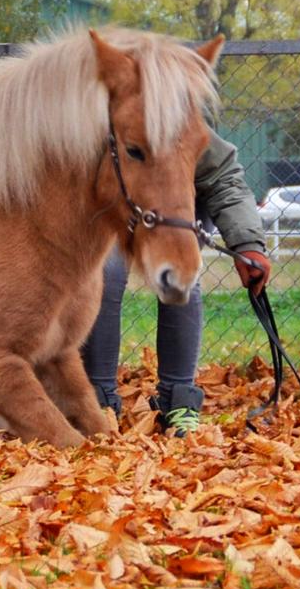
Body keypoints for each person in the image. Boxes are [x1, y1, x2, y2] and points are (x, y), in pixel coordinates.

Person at [80, 129, 271, 435]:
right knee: (105, 276)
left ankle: (179, 401)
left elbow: (224, 179)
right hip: (116, 206)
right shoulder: (86, 118)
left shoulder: (176, 120)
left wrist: (247, 244)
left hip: (181, 207)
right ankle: (96, 401)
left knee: (179, 278)